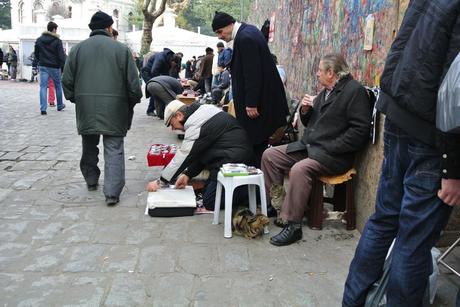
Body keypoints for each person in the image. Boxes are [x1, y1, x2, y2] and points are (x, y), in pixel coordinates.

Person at [343, 1, 460, 306]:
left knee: (385, 221)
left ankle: (352, 301)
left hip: (400, 116)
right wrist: (452, 168)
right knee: (412, 241)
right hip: (433, 134)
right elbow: (456, 93)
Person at [261, 54, 372, 246]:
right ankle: (277, 205)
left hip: (333, 156)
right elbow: (311, 122)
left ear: (331, 73)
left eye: (320, 70)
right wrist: (305, 111)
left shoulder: (354, 92)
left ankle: (293, 224)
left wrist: (331, 146)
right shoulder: (327, 91)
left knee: (299, 169)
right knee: (270, 155)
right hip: (311, 147)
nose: (317, 74)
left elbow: (359, 132)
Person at [62, 11, 142, 206]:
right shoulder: (121, 50)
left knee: (89, 144)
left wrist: (77, 99)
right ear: (108, 28)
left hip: (86, 106)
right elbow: (134, 85)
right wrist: (132, 101)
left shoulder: (77, 50)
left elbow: (67, 81)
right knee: (114, 148)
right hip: (115, 107)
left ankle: (91, 180)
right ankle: (112, 193)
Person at [146, 100, 254, 211]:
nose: (173, 129)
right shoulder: (201, 114)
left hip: (233, 160)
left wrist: (161, 181)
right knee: (207, 193)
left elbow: (185, 155)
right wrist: (188, 174)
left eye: (172, 124)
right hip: (229, 156)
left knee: (210, 202)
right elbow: (200, 152)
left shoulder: (195, 123)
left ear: (179, 115)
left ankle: (250, 193)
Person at [212, 11, 289, 167]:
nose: (219, 37)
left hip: (257, 107)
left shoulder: (245, 37)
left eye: (220, 32)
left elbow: (252, 73)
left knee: (255, 144)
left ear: (229, 24)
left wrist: (251, 103)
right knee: (256, 144)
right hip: (262, 103)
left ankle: (255, 181)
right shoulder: (249, 31)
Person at [34, 21, 66, 115]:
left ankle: (43, 108)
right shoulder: (57, 41)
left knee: (43, 87)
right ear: (54, 29)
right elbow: (61, 55)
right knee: (58, 86)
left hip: (43, 65)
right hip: (55, 67)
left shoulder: (39, 40)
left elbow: (36, 52)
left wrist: (40, 60)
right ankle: (59, 105)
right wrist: (62, 65)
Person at [141, 48, 175, 116]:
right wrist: (160, 81)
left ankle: (159, 110)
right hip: (147, 73)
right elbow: (154, 71)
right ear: (170, 57)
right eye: (172, 61)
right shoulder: (161, 58)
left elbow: (166, 73)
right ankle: (150, 110)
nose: (172, 63)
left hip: (152, 73)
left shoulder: (166, 58)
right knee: (155, 89)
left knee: (158, 89)